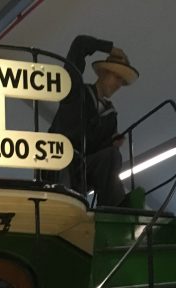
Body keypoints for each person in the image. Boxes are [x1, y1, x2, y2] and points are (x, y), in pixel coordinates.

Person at [49, 35, 140, 206]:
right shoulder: (75, 92)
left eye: (122, 81)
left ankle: (114, 210)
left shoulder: (111, 117)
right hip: (58, 163)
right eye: (117, 77)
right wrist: (111, 48)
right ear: (104, 72)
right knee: (65, 161)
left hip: (83, 171)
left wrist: (112, 144)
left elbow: (103, 156)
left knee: (113, 155)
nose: (119, 84)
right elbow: (79, 44)